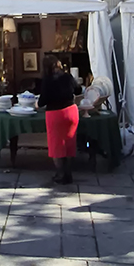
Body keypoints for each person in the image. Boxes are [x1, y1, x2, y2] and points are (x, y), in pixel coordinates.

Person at [38, 53, 81, 185]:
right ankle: (68, 173)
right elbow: (78, 90)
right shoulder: (67, 76)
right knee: (69, 143)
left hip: (56, 114)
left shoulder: (47, 80)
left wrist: (36, 104)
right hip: (71, 112)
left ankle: (60, 174)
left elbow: (42, 102)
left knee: (56, 146)